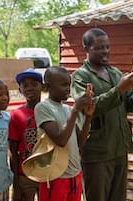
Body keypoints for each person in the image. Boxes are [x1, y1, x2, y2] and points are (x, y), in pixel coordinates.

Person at [71, 28, 133, 201]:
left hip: (119, 148)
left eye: (107, 47)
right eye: (99, 48)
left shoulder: (115, 73)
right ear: (86, 48)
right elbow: (90, 107)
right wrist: (120, 88)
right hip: (97, 151)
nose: (105, 51)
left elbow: (129, 105)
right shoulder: (80, 76)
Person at [34, 66, 94, 201]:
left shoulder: (67, 109)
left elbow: (81, 142)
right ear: (48, 86)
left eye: (69, 85)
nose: (68, 89)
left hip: (74, 174)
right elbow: (60, 140)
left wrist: (88, 116)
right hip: (55, 177)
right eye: (63, 85)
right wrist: (76, 110)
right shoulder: (43, 108)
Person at [9, 68, 43, 201]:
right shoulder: (16, 115)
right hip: (25, 175)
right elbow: (12, 149)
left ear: (43, 87)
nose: (29, 88)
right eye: (25, 85)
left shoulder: (50, 111)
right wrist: (16, 180)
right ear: (20, 90)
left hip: (47, 173)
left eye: (34, 84)